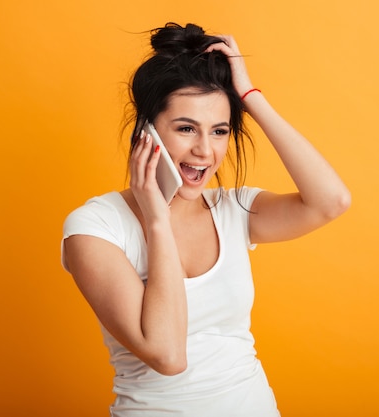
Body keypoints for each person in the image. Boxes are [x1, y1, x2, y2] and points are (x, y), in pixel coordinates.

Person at [61, 22, 350, 417]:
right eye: (185, 128)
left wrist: (248, 95)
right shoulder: (95, 228)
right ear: (147, 132)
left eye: (219, 131)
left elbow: (331, 201)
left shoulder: (233, 209)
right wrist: (157, 220)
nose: (204, 150)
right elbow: (167, 354)